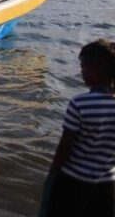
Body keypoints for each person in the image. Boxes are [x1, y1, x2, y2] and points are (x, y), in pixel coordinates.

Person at [43, 39, 115, 217]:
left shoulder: (80, 103)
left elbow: (65, 148)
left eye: (84, 66)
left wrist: (52, 175)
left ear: (99, 70)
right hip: (108, 184)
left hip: (73, 180)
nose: (81, 71)